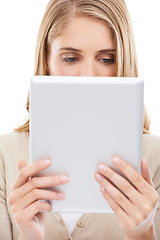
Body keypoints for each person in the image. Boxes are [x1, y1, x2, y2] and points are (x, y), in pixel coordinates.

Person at [0, 0, 159, 239]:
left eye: (106, 59)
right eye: (71, 58)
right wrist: (31, 235)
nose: (88, 76)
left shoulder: (155, 158)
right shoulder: (4, 155)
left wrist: (143, 233)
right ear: (46, 61)